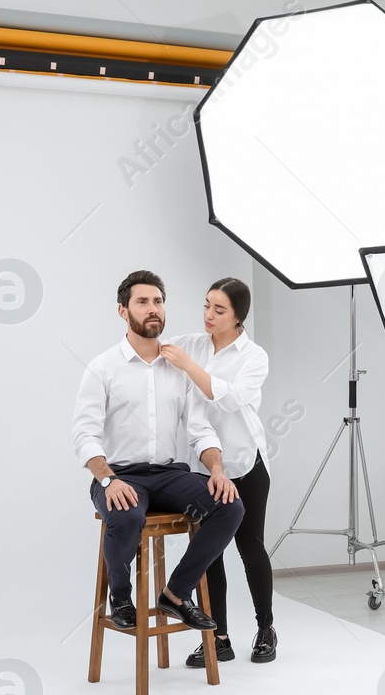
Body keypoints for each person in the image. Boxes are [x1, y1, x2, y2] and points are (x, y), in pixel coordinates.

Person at [73, 270, 244, 635]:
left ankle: (175, 593)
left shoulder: (177, 367)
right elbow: (84, 435)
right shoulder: (102, 368)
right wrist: (107, 479)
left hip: (170, 475)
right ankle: (121, 597)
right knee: (127, 515)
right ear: (123, 311)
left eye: (158, 301)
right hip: (118, 474)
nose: (153, 309)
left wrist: (216, 469)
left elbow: (200, 429)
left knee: (229, 506)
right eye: (143, 302)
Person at [159, 277, 276, 666]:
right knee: (210, 555)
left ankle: (265, 629)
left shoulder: (254, 357)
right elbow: (150, 346)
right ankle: (218, 637)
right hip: (203, 468)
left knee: (250, 548)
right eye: (206, 305)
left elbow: (229, 399)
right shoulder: (192, 342)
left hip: (245, 464)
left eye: (219, 310)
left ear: (239, 316)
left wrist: (189, 367)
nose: (209, 315)